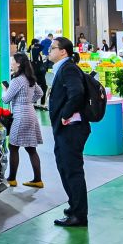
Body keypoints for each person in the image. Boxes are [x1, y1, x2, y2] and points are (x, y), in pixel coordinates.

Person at [47, 37, 90, 227]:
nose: (49, 51)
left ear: (63, 51)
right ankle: (74, 207)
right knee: (65, 167)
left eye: (52, 48)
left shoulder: (68, 69)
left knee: (72, 171)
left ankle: (79, 215)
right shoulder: (63, 68)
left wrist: (65, 114)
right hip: (65, 129)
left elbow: (77, 93)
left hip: (71, 129)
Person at [1, 52, 44, 189]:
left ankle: (12, 179)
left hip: (20, 116)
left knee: (13, 147)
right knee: (31, 148)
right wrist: (28, 101)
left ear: (18, 63)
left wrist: (5, 89)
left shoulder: (17, 80)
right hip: (31, 114)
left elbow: (6, 99)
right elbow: (40, 93)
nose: (11, 63)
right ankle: (38, 180)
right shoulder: (30, 79)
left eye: (13, 61)